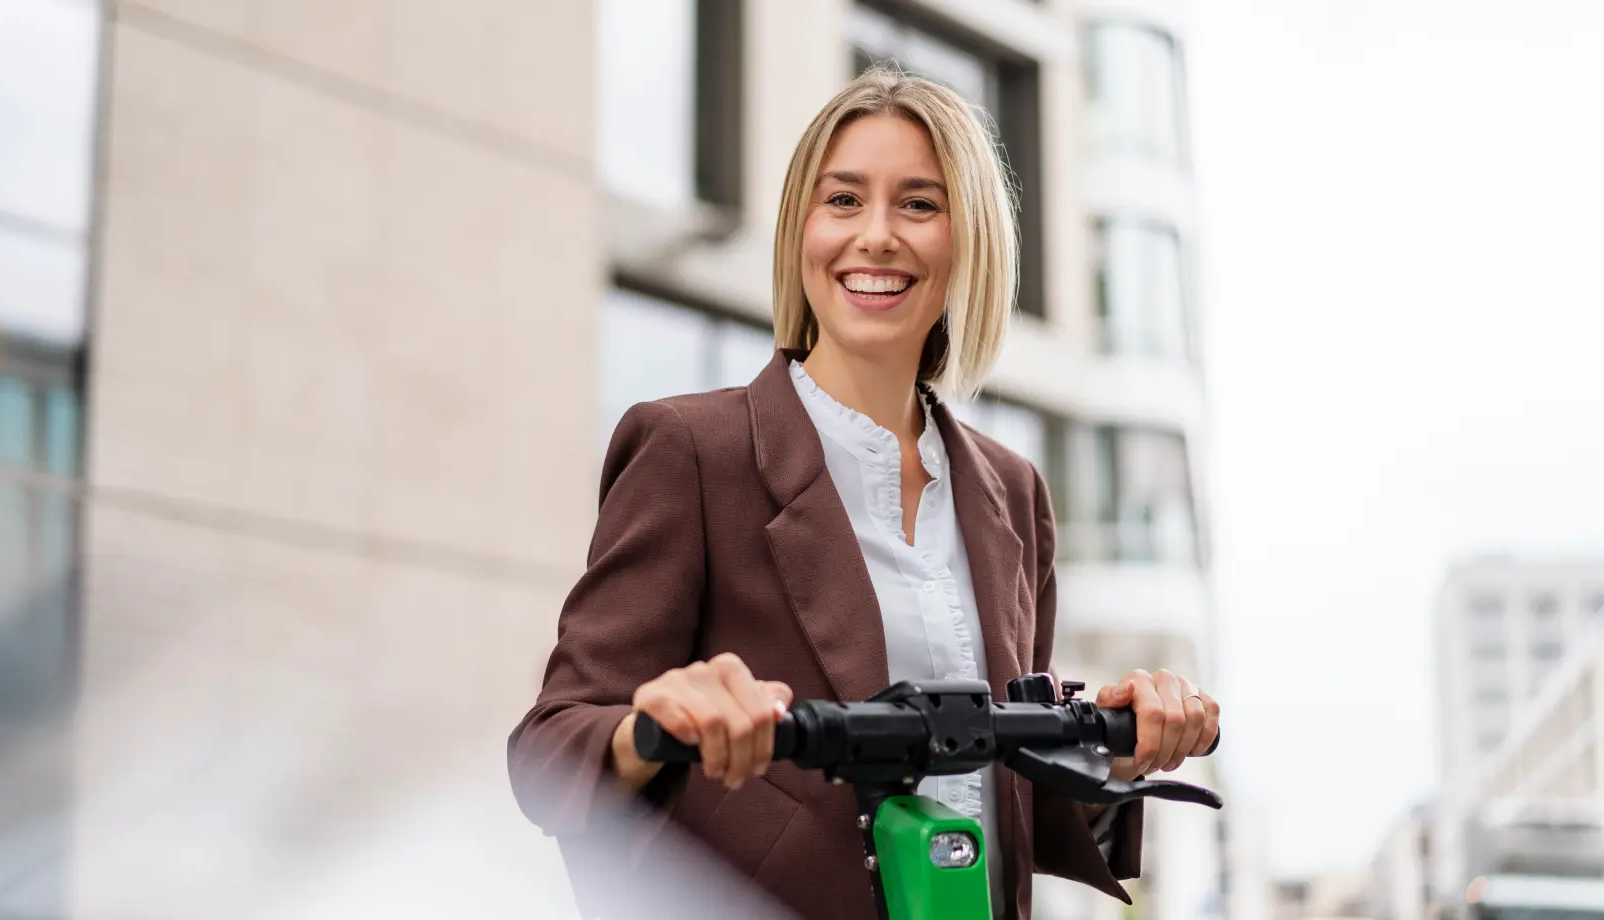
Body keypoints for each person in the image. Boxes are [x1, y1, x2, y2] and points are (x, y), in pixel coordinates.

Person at [507, 65, 1221, 920]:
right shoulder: (692, 451)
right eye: (843, 200)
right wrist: (653, 726)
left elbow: (1005, 789)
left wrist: (1118, 749)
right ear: (800, 230)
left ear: (970, 239)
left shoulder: (1012, 492)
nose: (875, 236)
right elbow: (550, 749)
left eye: (918, 204)